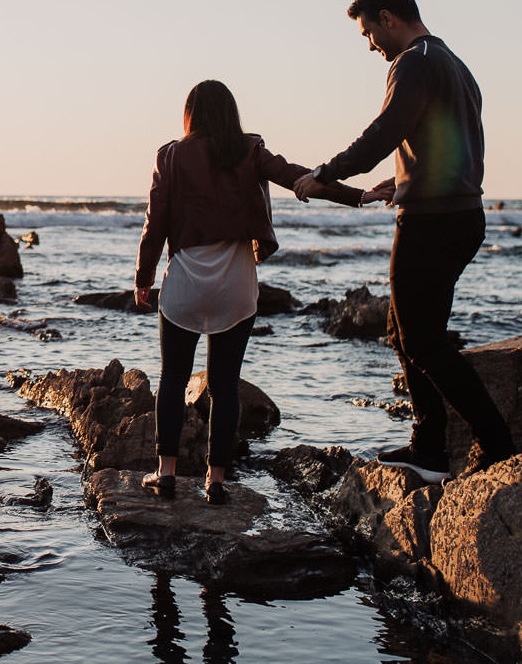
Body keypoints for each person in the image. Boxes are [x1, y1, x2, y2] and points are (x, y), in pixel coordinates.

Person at [294, 0, 517, 483]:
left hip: (432, 222)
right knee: (406, 332)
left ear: (388, 17)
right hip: (458, 214)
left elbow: (383, 132)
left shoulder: (412, 62)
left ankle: (493, 442)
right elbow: (448, 139)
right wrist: (404, 179)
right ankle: (429, 445)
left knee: (421, 339)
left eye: (369, 32)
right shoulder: (453, 63)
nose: (370, 45)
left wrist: (325, 173)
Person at [135, 80, 370, 504]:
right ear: (231, 114)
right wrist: (360, 195)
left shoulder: (170, 155)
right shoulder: (249, 149)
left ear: (190, 114)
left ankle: (165, 474)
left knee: (172, 378)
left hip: (187, 279)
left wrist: (143, 276)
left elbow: (155, 221)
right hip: (236, 280)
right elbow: (299, 177)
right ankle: (217, 482)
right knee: (226, 386)